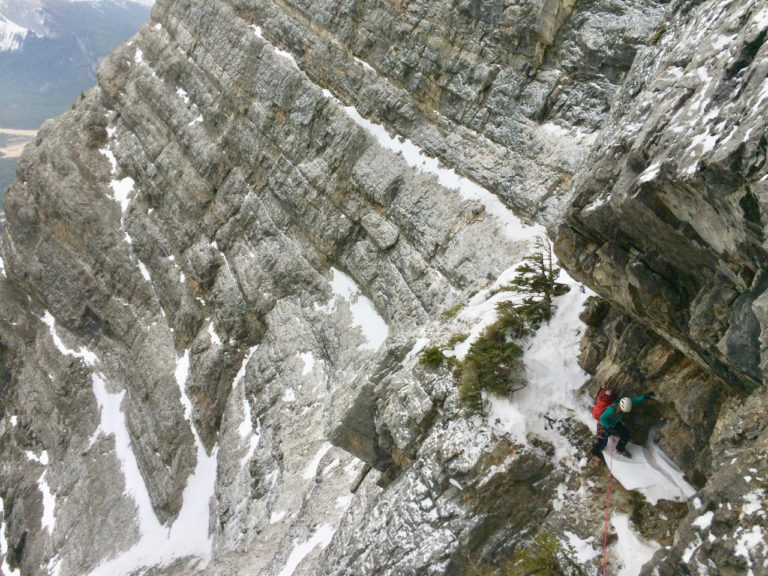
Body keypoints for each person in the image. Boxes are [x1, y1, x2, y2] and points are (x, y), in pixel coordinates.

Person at [591, 391, 655, 465]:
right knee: (602, 441)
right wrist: (609, 427)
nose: (624, 413)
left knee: (625, 434)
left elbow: (635, 401)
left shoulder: (627, 402)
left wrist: (645, 396)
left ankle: (620, 449)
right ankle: (594, 453)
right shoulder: (612, 410)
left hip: (614, 423)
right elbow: (602, 418)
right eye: (624, 411)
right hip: (604, 425)